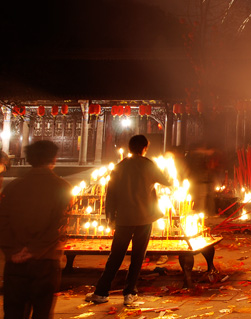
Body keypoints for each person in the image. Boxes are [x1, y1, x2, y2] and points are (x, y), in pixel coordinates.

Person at [85, 135, 171, 307]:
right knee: (138, 256)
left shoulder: (119, 166)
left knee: (116, 255)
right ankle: (129, 292)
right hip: (144, 217)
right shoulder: (148, 165)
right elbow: (166, 182)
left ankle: (101, 292)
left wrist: (109, 216)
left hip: (123, 218)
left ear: (130, 148)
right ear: (145, 148)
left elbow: (111, 194)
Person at [0, 140, 72, 319]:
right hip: (45, 262)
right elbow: (58, 226)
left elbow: (3, 223)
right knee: (42, 312)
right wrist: (34, 250)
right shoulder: (62, 188)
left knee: (14, 312)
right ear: (54, 159)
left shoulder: (13, 187)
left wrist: (14, 251)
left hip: (15, 263)